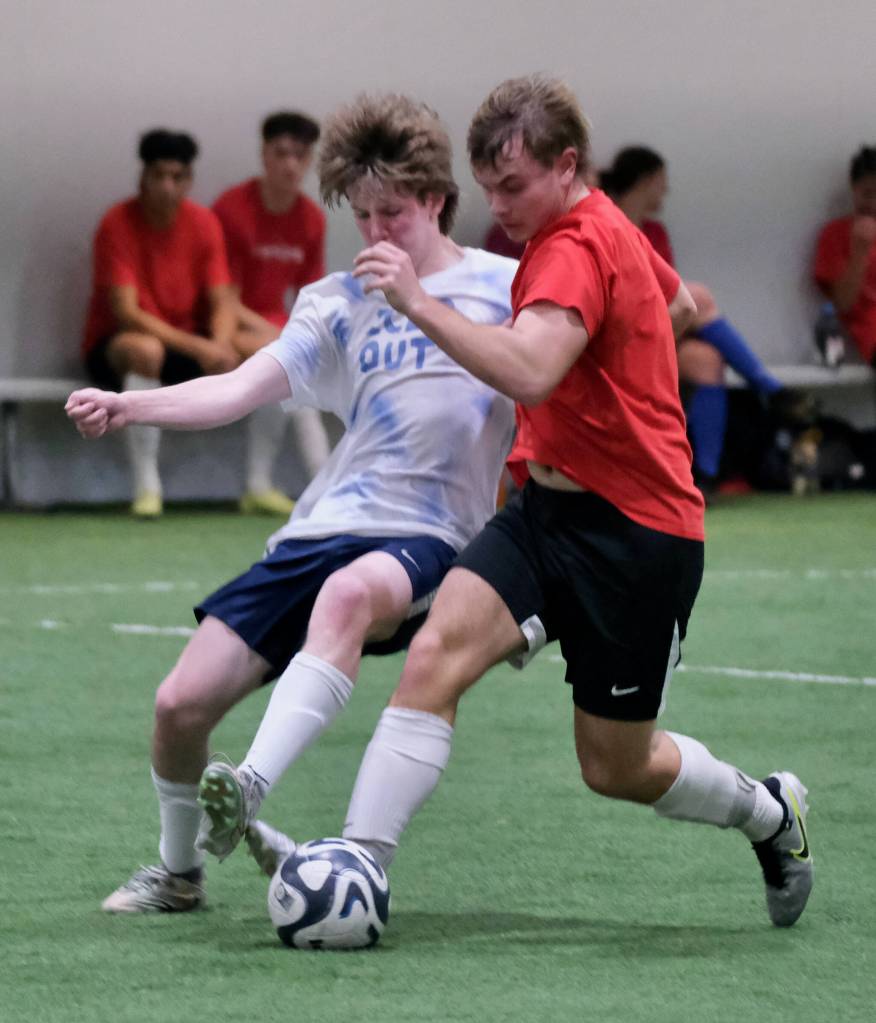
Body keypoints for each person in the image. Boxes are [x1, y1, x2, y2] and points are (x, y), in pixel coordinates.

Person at [210, 76, 813, 930]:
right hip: (542, 516)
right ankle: (360, 861)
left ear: (567, 165)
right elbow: (682, 304)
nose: (498, 205)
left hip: (639, 536)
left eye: (514, 186)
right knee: (435, 660)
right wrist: (622, 367)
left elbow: (531, 369)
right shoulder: (598, 225)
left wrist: (417, 301)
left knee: (615, 764)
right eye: (487, 187)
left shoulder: (576, 245)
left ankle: (768, 811)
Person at [65, 93, 518, 913]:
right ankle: (180, 874)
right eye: (363, 215)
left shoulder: (504, 288)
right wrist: (133, 405)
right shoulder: (336, 301)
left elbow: (564, 377)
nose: (377, 233)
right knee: (179, 704)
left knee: (348, 597)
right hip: (322, 526)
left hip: (428, 535)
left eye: (395, 213)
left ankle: (252, 784)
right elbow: (240, 387)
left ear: (438, 200)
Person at [82, 129, 296, 518]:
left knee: (274, 353)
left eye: (177, 177)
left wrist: (220, 343)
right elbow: (128, 313)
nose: (168, 186)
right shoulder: (117, 224)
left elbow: (221, 299)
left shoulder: (203, 223)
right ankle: (147, 488)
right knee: (145, 350)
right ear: (143, 177)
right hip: (122, 348)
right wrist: (202, 348)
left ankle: (259, 485)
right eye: (159, 176)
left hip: (187, 343)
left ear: (189, 181)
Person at [601, 146, 811, 493]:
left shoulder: (655, 231)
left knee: (707, 361)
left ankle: (705, 475)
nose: (665, 192)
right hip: (616, 327)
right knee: (698, 296)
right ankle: (769, 388)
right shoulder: (606, 219)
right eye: (661, 183)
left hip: (653, 326)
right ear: (647, 180)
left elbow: (664, 288)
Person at [213, 112, 333, 513]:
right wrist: (278, 332)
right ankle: (323, 483)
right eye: (281, 153)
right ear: (264, 155)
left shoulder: (311, 219)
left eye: (300, 155)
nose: (290, 164)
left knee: (299, 360)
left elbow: (307, 296)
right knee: (287, 357)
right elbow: (220, 298)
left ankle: (283, 483)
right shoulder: (231, 209)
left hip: (271, 328)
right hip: (220, 325)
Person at [814, 145, 876, 368]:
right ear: (854, 188)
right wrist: (860, 252)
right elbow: (843, 304)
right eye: (868, 194)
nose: (874, 204)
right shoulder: (836, 234)